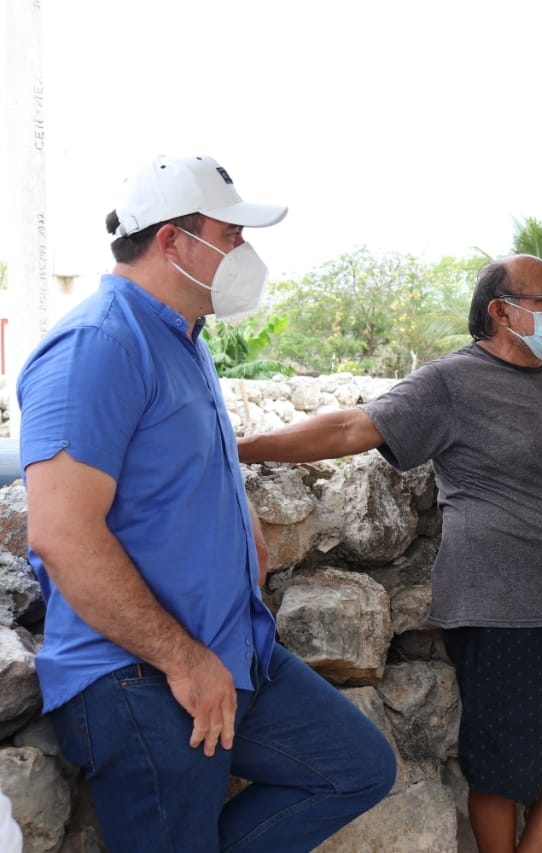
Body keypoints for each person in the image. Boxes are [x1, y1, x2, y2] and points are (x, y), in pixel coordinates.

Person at [18, 154, 396, 852]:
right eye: (231, 235)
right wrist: (183, 660)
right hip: (143, 676)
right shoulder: (97, 344)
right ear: (171, 240)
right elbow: (61, 534)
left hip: (232, 653)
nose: (243, 252)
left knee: (356, 767)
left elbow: (167, 472)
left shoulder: (183, 340)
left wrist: (235, 512)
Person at [237, 253, 542, 853]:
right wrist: (241, 448)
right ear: (502, 311)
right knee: (502, 772)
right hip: (504, 609)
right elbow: (348, 430)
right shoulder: (450, 383)